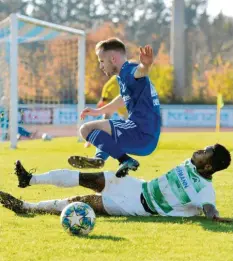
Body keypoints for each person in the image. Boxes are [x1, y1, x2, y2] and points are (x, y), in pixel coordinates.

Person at [0, 144, 232, 223]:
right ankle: (30, 179)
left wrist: (217, 218)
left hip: (139, 207)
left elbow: (210, 210)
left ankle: (25, 207)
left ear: (209, 167)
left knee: (81, 202)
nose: (200, 150)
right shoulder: (192, 164)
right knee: (91, 178)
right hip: (137, 186)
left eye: (205, 152)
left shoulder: (205, 191)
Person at [69, 38, 161, 178]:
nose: (101, 66)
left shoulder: (128, 70)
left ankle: (125, 160)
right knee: (105, 136)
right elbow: (122, 99)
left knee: (85, 129)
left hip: (140, 132)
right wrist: (99, 111)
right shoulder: (121, 77)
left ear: (112, 59)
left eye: (101, 61)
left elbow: (140, 72)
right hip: (144, 136)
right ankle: (100, 159)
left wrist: (146, 65)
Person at [84, 75, 127, 148]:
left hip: (123, 104)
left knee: (105, 121)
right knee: (105, 121)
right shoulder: (114, 82)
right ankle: (91, 139)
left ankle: (91, 140)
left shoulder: (115, 81)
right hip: (120, 104)